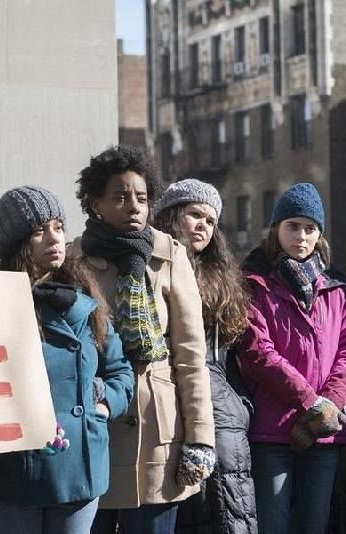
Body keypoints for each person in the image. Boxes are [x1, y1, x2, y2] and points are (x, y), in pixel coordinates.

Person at [0, 186, 134, 533]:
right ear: (17, 243)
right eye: (40, 231)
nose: (55, 238)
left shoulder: (87, 301)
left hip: (76, 471)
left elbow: (120, 372)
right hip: (6, 476)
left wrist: (100, 407)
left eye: (58, 227)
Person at [70, 146, 215, 534]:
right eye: (120, 197)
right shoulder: (74, 260)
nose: (134, 206)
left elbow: (191, 355)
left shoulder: (170, 255)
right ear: (95, 203)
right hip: (97, 427)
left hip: (158, 432)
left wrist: (201, 437)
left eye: (142, 197)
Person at [237, 182, 346, 534]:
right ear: (276, 228)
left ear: (320, 234)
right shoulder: (255, 283)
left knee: (315, 525)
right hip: (272, 430)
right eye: (293, 226)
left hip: (324, 430)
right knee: (272, 524)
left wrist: (330, 404)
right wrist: (310, 401)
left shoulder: (334, 288)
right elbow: (257, 351)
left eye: (310, 228)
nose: (301, 236)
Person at [153, 179, 257, 534]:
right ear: (171, 215)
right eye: (195, 214)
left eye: (211, 220)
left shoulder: (221, 277)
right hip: (169, 403)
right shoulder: (152, 267)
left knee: (229, 512)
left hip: (224, 416)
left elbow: (231, 353)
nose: (203, 226)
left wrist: (240, 404)